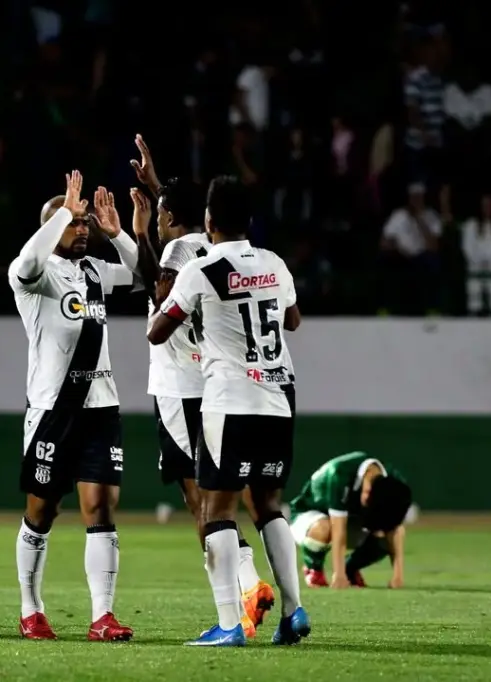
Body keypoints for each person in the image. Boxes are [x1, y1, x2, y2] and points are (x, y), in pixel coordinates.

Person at [148, 175, 310, 647]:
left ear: (208, 221)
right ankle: (294, 612)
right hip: (279, 395)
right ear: (251, 221)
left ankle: (229, 624)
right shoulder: (274, 263)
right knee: (267, 506)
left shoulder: (202, 270)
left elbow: (158, 330)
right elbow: (293, 320)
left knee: (216, 510)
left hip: (230, 400)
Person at [129, 135, 275, 638]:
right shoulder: (214, 245)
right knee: (225, 498)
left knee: (202, 504)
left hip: (177, 385)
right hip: (214, 385)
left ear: (169, 217)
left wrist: (142, 235)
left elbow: (160, 293)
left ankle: (239, 596)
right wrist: (157, 187)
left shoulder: (172, 248)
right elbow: (189, 215)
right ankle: (248, 584)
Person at [9, 171, 138, 641]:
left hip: (101, 407)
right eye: (72, 223)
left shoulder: (95, 272)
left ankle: (102, 616)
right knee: (42, 512)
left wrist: (118, 233)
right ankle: (30, 609)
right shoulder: (35, 276)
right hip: (52, 411)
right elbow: (26, 259)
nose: (81, 229)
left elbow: (146, 274)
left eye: (83, 222)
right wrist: (63, 208)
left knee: (100, 507)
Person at [288, 451, 412, 589]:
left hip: (349, 519)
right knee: (324, 528)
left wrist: (398, 576)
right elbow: (338, 531)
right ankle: (313, 568)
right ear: (367, 492)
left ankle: (350, 568)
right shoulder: (339, 474)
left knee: (384, 536)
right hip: (307, 515)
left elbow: (396, 529)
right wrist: (339, 575)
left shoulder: (393, 481)